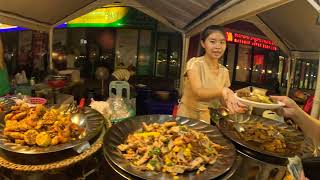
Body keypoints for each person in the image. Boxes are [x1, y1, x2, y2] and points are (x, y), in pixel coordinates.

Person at [177, 25, 246, 123]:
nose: (218, 46)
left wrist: (234, 105)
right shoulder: (194, 63)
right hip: (187, 117)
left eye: (222, 42)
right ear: (203, 43)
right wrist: (223, 90)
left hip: (207, 119)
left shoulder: (224, 71)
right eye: (212, 42)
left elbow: (222, 100)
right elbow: (198, 92)